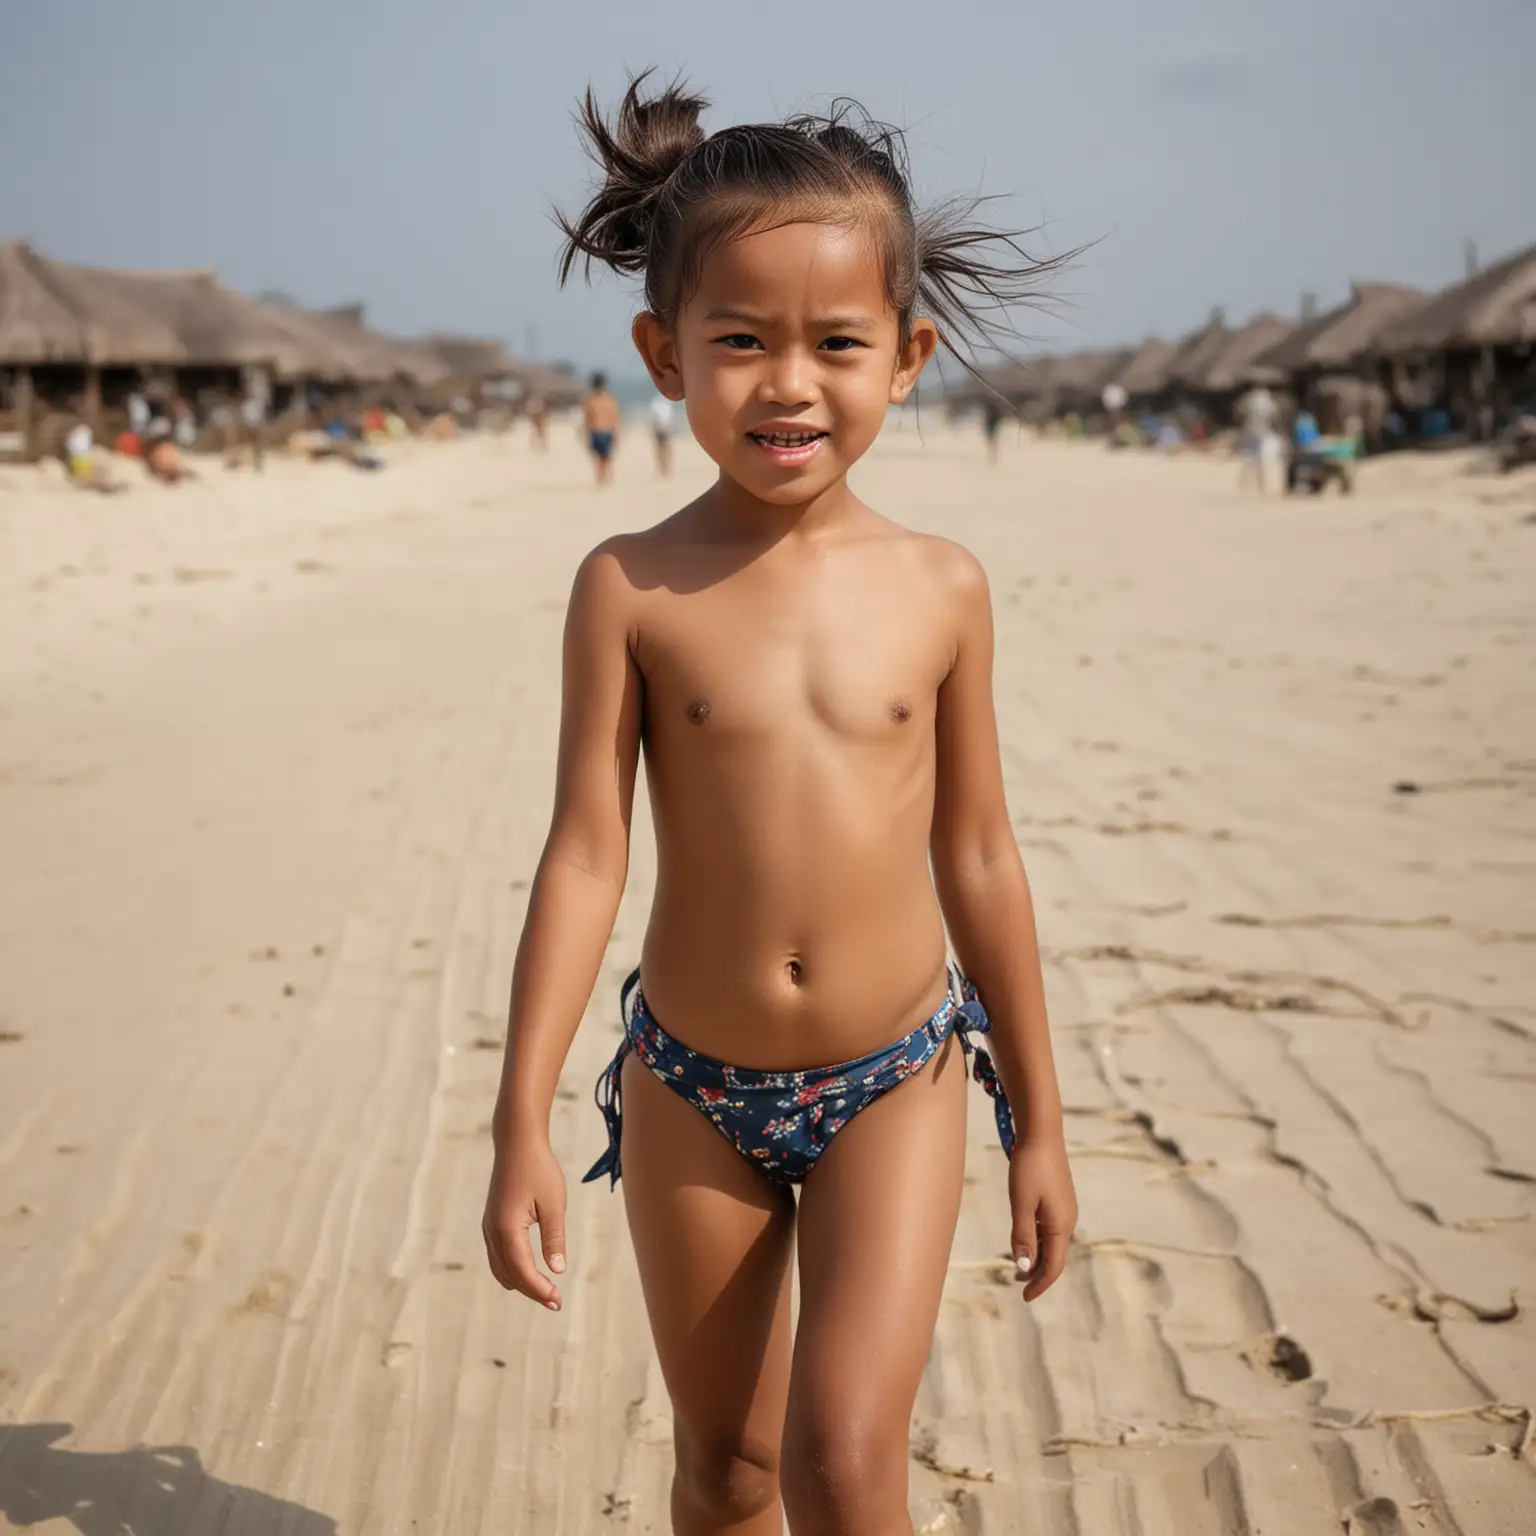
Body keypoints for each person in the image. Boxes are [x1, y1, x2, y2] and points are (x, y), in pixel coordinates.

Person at [482, 75, 1077, 1533]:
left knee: (844, 1462)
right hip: (692, 1083)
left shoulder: (941, 586)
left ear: (908, 356)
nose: (788, 382)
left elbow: (982, 854)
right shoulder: (629, 585)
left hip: (898, 1075)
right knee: (728, 1469)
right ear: (663, 355)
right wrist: (520, 1119)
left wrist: (1042, 1123)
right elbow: (584, 852)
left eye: (837, 344)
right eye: (739, 341)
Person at [582, 370, 621, 484]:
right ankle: (607, 479)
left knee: (599, 458)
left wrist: (585, 433)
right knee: (607, 457)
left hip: (597, 431)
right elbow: (616, 418)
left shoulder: (591, 400)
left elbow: (588, 419)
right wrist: (617, 433)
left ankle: (601, 479)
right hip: (608, 430)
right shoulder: (610, 400)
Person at [648, 392, 677, 476]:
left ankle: (663, 466)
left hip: (659, 428)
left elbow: (652, 419)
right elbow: (672, 417)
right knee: (667, 448)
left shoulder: (655, 403)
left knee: (660, 449)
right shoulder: (668, 404)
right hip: (666, 427)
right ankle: (666, 466)